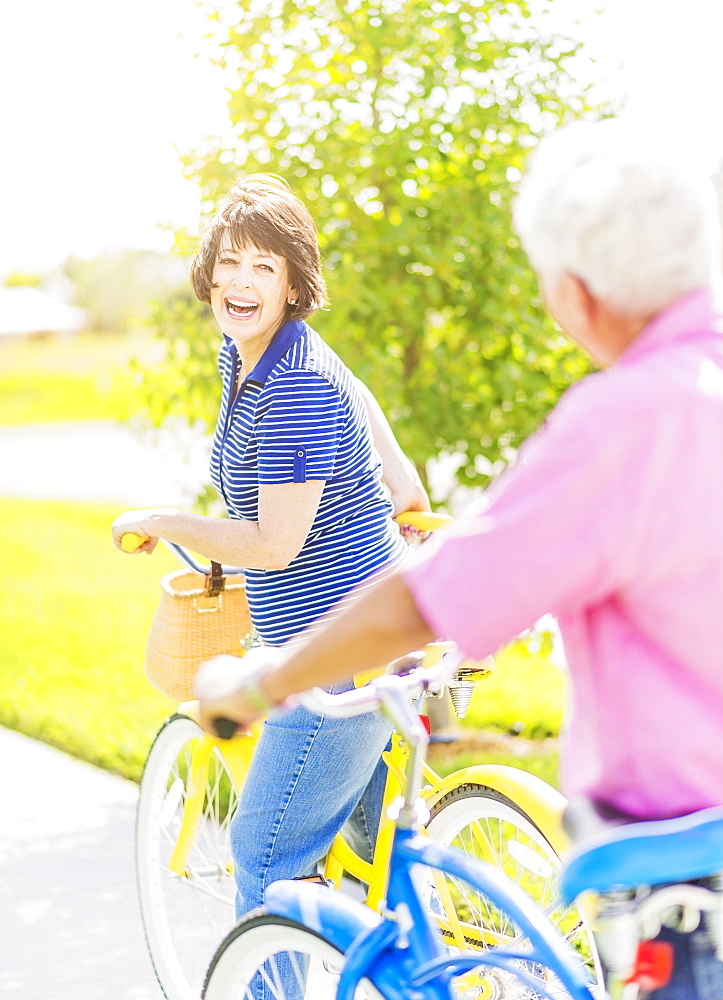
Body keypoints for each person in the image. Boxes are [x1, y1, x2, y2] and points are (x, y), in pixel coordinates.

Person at [194, 123, 723, 999]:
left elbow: (429, 601)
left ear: (574, 292)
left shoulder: (627, 421)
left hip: (679, 861)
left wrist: (257, 686)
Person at [111, 173, 429, 930]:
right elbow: (356, 388)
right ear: (209, 271)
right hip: (360, 624)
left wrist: (166, 520)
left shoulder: (290, 386)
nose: (241, 281)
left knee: (267, 858)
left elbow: (273, 546)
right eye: (229, 262)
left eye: (264, 267)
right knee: (366, 857)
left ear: (293, 284)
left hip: (335, 650)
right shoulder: (254, 351)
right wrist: (404, 480)